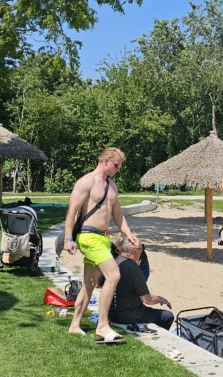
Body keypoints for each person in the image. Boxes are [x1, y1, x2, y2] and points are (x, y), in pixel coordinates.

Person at [62, 147, 137, 343]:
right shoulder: (86, 181)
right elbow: (72, 211)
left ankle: (74, 325)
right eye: (116, 165)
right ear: (105, 161)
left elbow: (117, 214)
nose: (118, 170)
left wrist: (128, 233)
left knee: (90, 283)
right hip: (89, 237)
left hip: (104, 238)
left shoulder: (112, 186)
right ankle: (102, 326)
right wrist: (68, 239)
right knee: (113, 275)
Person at [106, 236, 174, 330]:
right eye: (141, 249)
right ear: (134, 251)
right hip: (128, 316)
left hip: (112, 313)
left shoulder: (114, 260)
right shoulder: (133, 268)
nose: (142, 252)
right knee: (168, 316)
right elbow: (147, 300)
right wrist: (161, 299)